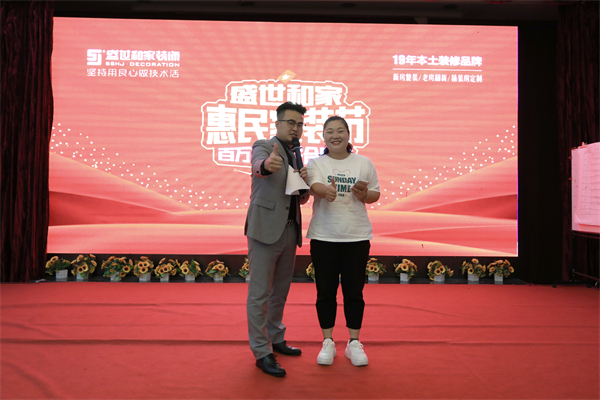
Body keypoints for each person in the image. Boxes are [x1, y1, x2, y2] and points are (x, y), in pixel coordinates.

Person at [306, 115, 380, 367]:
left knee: (354, 292)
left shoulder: (364, 162)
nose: (335, 135)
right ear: (324, 136)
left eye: (340, 131)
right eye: (330, 131)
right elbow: (315, 186)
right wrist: (325, 191)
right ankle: (327, 341)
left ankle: (353, 342)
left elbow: (375, 194)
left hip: (356, 235)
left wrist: (364, 194)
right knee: (325, 291)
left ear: (348, 135)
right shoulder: (316, 163)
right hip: (324, 236)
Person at [244, 101, 310, 377]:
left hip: (290, 230)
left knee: (280, 291)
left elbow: (299, 198)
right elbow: (259, 166)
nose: (295, 128)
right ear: (278, 123)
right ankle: (262, 351)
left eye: (300, 124)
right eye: (290, 123)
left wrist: (305, 185)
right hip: (265, 229)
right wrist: (268, 166)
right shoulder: (263, 145)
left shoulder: (296, 154)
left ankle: (276, 337)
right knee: (260, 293)